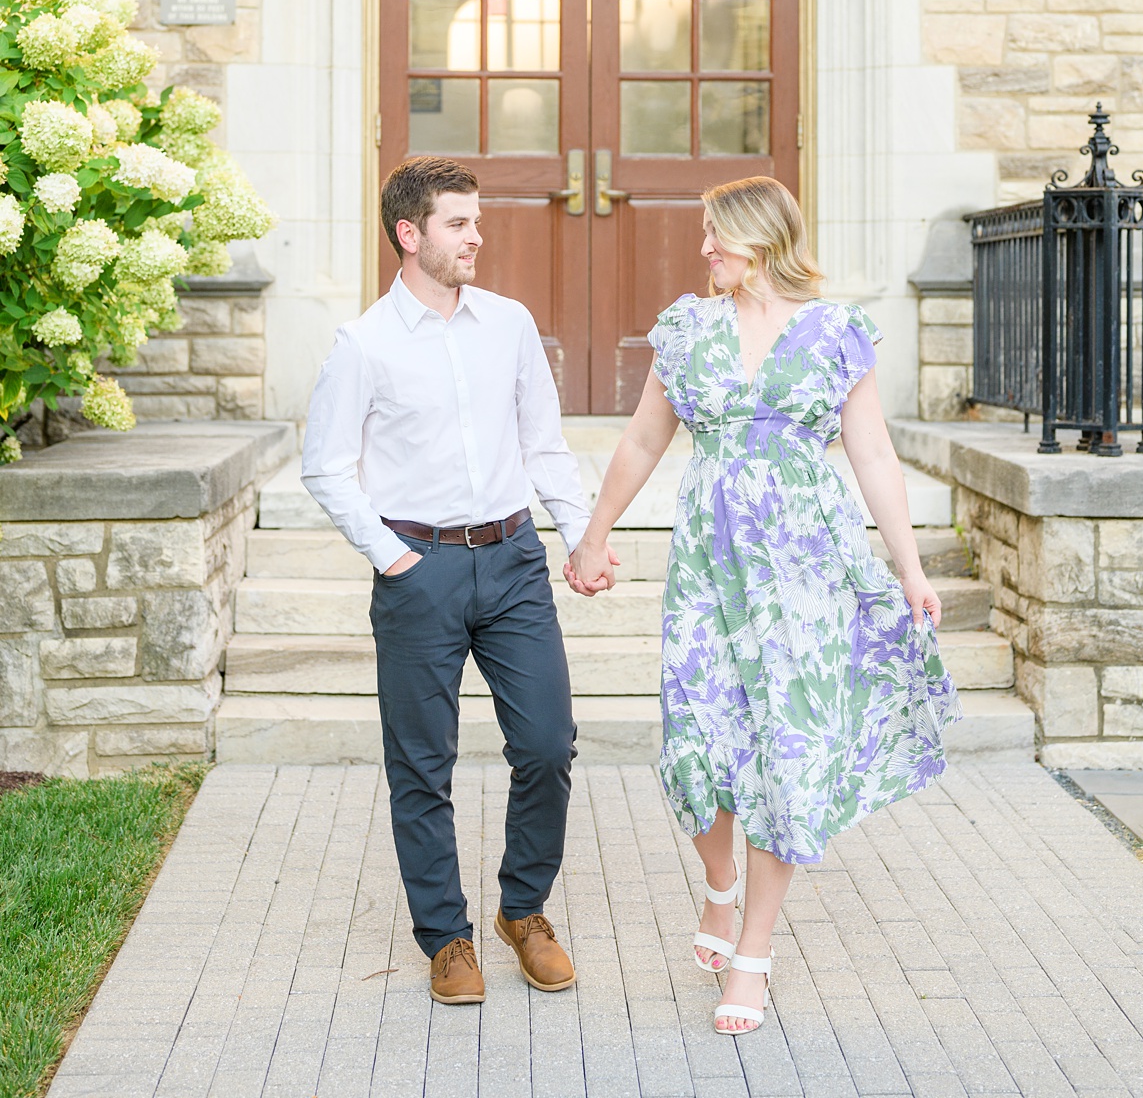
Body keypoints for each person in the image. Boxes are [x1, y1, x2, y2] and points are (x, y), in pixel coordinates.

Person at [564, 174, 956, 1036]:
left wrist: (911, 570)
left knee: (785, 750)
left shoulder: (835, 333)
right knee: (698, 737)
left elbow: (876, 457)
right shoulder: (688, 329)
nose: (703, 251)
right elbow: (640, 439)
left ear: (762, 241)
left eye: (717, 237)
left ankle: (755, 952)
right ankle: (718, 885)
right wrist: (594, 534)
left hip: (806, 568)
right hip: (709, 567)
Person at [301, 154, 587, 1007]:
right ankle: (447, 937)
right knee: (421, 767)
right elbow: (326, 467)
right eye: (458, 223)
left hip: (512, 562)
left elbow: (544, 444)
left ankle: (523, 913)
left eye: (476, 220)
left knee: (547, 743)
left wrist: (580, 534)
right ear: (409, 233)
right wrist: (391, 557)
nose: (477, 236)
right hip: (418, 570)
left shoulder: (508, 325)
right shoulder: (364, 344)